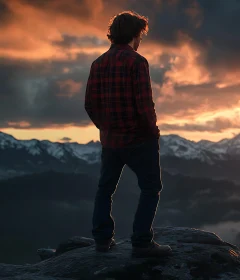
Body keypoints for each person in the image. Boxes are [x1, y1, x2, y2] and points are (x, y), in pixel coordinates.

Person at [84, 10, 171, 257]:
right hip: (138, 139)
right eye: (140, 35)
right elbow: (145, 105)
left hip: (111, 141)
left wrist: (106, 127)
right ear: (135, 34)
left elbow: (89, 104)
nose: (141, 39)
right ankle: (142, 242)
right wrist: (152, 132)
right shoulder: (137, 62)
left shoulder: (98, 63)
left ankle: (102, 240)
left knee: (105, 189)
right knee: (151, 187)